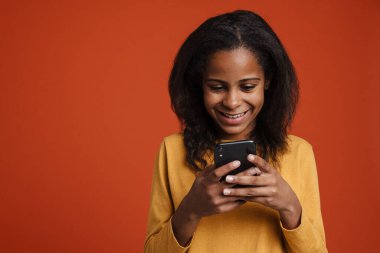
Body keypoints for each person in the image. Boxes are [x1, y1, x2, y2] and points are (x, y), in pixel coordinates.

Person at [144, 10, 327, 253]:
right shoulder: (172, 150)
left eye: (248, 86)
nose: (232, 102)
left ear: (268, 80)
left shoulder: (298, 152)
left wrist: (290, 207)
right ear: (200, 84)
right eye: (217, 87)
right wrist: (191, 209)